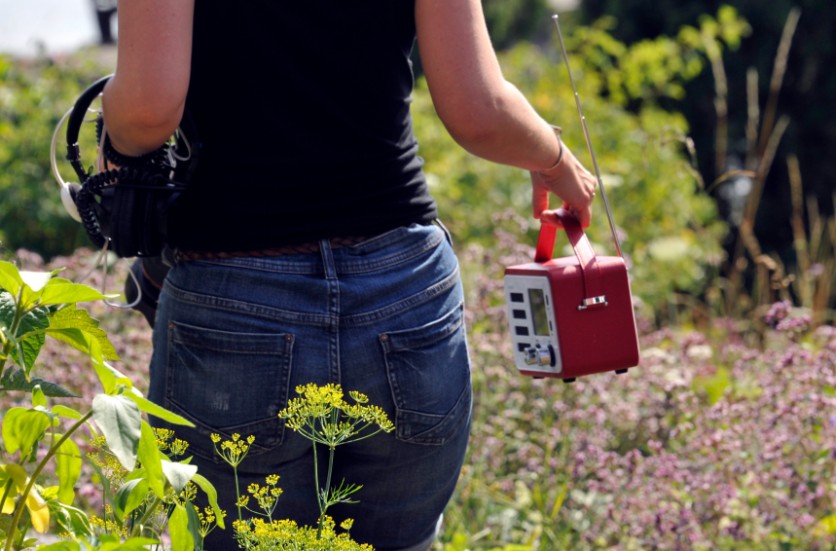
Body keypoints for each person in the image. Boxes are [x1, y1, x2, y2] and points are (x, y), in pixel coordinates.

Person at [99, 2, 596, 550]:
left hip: (233, 293)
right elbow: (479, 108)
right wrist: (555, 161)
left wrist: (113, 139)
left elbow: (146, 110)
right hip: (404, 290)